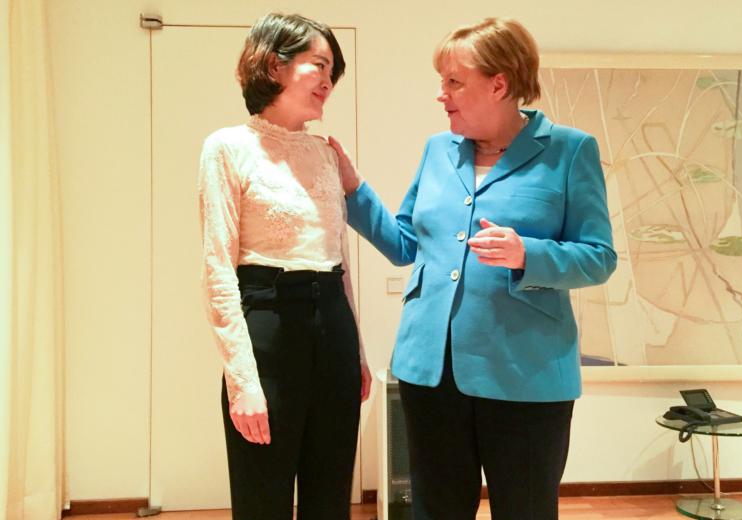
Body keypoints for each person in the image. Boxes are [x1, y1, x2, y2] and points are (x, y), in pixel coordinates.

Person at [330, 17, 616, 520]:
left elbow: (599, 257)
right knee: (435, 510)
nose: (441, 95)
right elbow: (405, 244)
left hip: (526, 375)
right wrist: (354, 190)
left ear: (499, 84)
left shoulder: (571, 151)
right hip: (430, 371)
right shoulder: (438, 150)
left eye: (453, 82)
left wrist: (528, 253)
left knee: (526, 510)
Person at [198, 13, 371, 520]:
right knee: (262, 497)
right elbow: (217, 269)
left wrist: (357, 351)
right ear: (274, 65)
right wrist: (241, 380)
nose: (328, 80)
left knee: (330, 496)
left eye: (333, 71)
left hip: (333, 327)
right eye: (319, 64)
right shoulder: (227, 147)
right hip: (267, 328)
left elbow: (339, 258)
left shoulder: (326, 154)